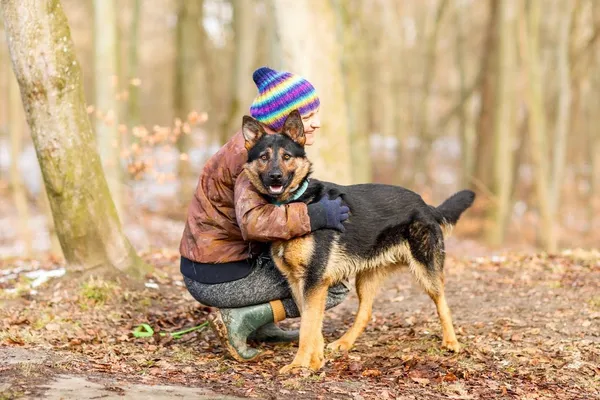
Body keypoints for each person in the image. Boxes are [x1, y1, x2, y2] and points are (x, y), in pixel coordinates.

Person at [179, 67, 350, 362]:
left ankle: (261, 325)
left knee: (298, 260)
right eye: (308, 117)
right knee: (331, 284)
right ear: (287, 123)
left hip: (213, 264)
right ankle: (242, 319)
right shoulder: (256, 161)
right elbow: (254, 222)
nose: (316, 124)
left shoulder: (261, 146)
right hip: (220, 275)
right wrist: (314, 216)